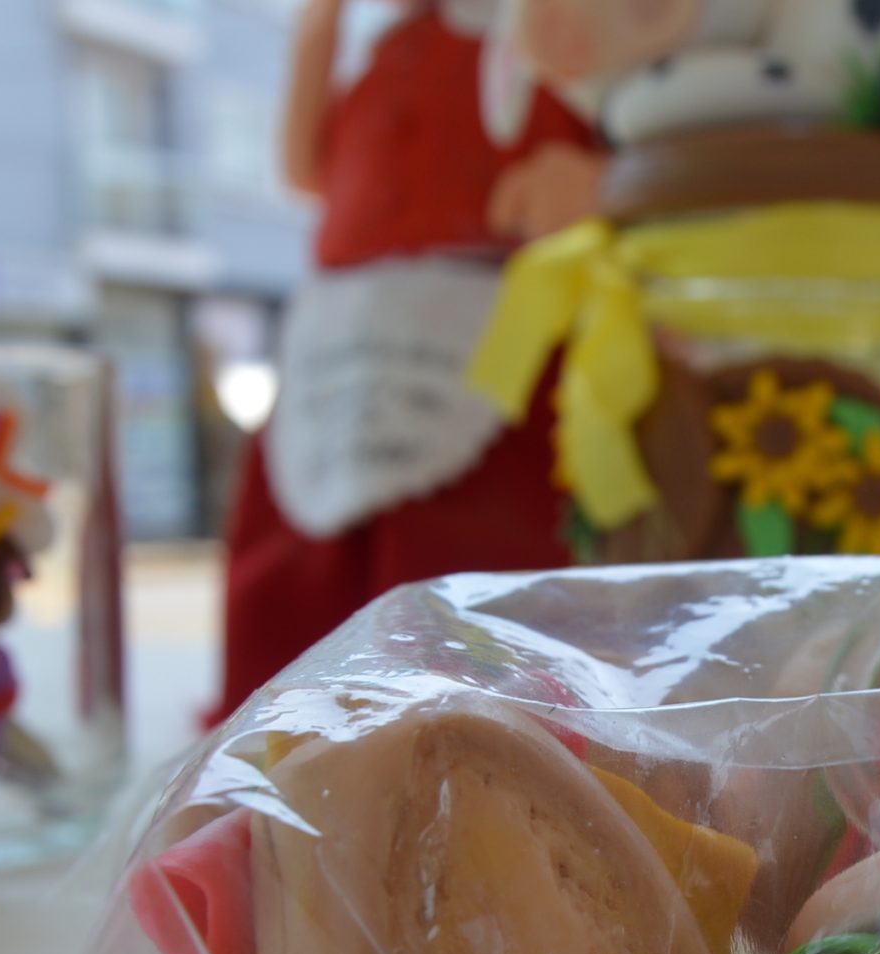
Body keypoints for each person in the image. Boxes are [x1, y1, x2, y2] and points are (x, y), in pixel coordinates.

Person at [213, 0, 605, 717]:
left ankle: (501, 736)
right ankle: (276, 740)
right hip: (341, 348)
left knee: (481, 579)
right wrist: (319, 27)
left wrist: (596, 181)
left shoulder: (559, 35)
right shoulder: (388, 47)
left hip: (499, 339)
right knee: (293, 584)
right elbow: (305, 170)